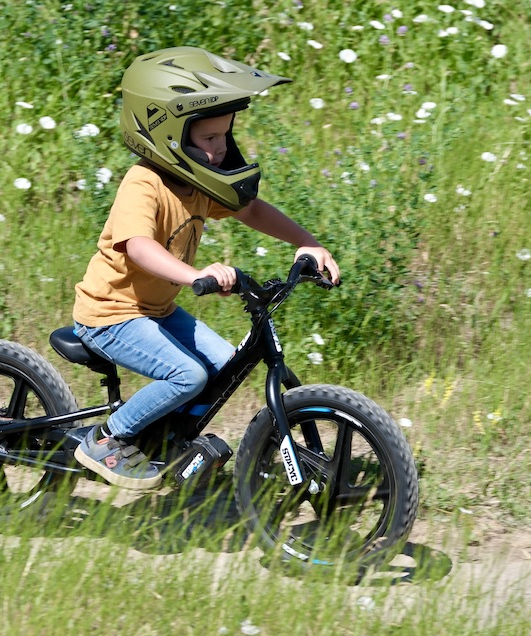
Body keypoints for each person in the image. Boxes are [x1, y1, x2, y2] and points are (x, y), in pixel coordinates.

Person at [72, 46, 340, 490]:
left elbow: (250, 210)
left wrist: (307, 243)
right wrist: (195, 275)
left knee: (225, 366)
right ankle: (106, 438)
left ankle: (163, 441)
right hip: (110, 314)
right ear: (169, 137)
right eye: (209, 139)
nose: (219, 151)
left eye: (225, 138)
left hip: (155, 311)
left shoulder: (196, 180)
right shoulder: (145, 183)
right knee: (189, 374)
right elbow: (139, 247)